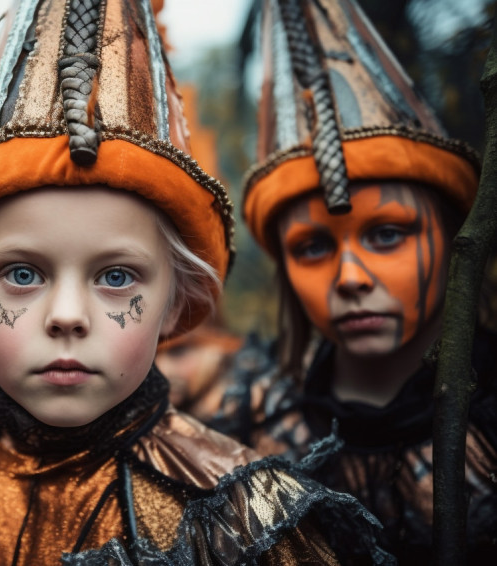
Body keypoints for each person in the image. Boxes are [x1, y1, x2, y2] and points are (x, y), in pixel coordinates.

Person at [0, 0, 392, 563]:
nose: (66, 315)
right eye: (23, 273)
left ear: (174, 301)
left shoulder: (243, 517)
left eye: (116, 276)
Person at [208, 0, 496, 562]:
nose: (350, 278)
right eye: (312, 246)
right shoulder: (249, 429)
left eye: (387, 234)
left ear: (450, 234)